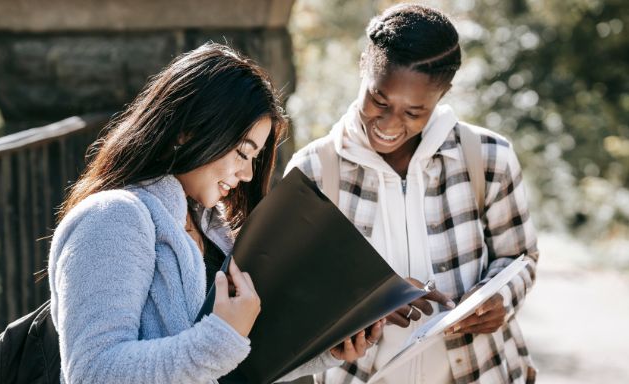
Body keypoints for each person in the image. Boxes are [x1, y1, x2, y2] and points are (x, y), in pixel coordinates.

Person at [48, 43, 380, 384]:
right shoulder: (113, 218)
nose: (248, 174)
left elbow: (231, 365)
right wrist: (219, 338)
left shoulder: (210, 226)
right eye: (242, 152)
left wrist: (322, 347)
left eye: (254, 158)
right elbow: (93, 372)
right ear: (187, 130)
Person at [285, 4, 539, 384]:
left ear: (443, 94)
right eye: (379, 101)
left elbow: (520, 255)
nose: (388, 124)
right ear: (363, 67)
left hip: (481, 372)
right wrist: (370, 300)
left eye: (414, 112)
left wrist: (499, 299)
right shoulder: (315, 171)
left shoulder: (489, 157)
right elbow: (290, 289)